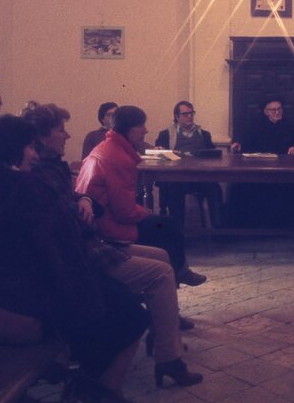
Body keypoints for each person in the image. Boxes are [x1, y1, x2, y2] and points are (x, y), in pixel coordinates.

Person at [0, 115, 150, 400]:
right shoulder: (27, 188)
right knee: (132, 315)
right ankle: (99, 390)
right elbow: (61, 253)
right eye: (29, 147)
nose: (34, 154)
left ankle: (90, 383)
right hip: (27, 299)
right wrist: (84, 304)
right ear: (10, 148)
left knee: (114, 304)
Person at [21, 103, 202, 387]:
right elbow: (122, 211)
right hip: (97, 238)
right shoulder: (107, 157)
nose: (67, 135)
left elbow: (75, 203)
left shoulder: (64, 163)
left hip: (92, 236)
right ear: (43, 136)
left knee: (162, 251)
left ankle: (165, 334)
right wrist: (142, 214)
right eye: (61, 130)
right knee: (164, 243)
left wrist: (83, 201)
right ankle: (169, 356)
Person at [75, 105, 207, 287]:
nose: (146, 130)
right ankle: (175, 274)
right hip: (107, 226)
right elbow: (125, 212)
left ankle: (177, 274)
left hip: (99, 220)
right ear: (128, 128)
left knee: (162, 224)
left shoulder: (107, 148)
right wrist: (145, 213)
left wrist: (143, 212)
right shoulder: (117, 157)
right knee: (167, 226)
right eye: (141, 125)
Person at [228, 97, 294, 227]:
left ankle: (290, 225)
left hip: (286, 170)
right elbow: (241, 140)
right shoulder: (256, 125)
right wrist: (238, 144)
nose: (277, 112)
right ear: (266, 112)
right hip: (259, 169)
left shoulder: (291, 124)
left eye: (279, 109)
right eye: (273, 110)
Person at [154, 101, 223, 228]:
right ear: (177, 116)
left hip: (201, 177)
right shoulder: (165, 134)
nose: (190, 117)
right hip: (177, 177)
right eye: (185, 114)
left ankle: (218, 231)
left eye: (191, 113)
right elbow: (159, 156)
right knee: (174, 190)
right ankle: (177, 229)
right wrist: (160, 151)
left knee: (215, 188)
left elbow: (213, 155)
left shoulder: (204, 134)